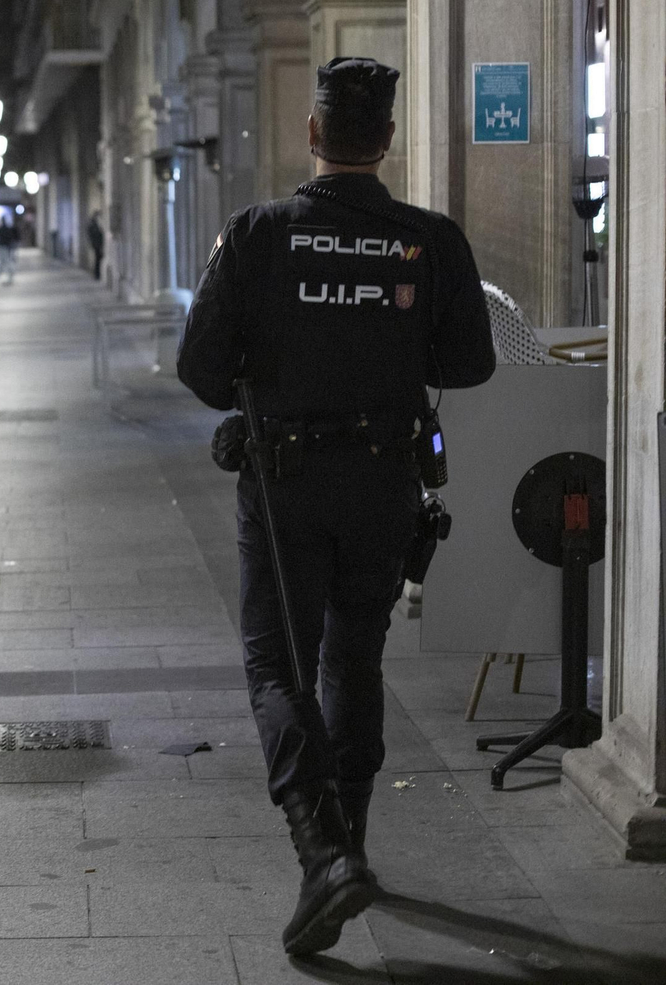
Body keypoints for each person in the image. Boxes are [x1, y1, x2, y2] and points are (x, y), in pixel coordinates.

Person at [176, 57, 496, 955]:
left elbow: (201, 370)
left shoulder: (257, 233)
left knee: (275, 663)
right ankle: (350, 845)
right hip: (383, 481)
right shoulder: (430, 238)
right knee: (354, 658)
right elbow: (469, 364)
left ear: (313, 134)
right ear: (385, 140)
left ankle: (321, 851)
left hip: (283, 485)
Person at [0, 219, 18, 285]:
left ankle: (4, 276)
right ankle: (7, 277)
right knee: (7, 261)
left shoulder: (0, 229)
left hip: (2, 246)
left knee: (3, 261)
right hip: (7, 247)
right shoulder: (7, 229)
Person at [86, 211, 105, 280]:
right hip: (96, 244)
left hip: (98, 244)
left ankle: (97, 273)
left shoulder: (96, 224)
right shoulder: (93, 225)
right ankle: (97, 274)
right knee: (97, 259)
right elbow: (92, 234)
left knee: (98, 259)